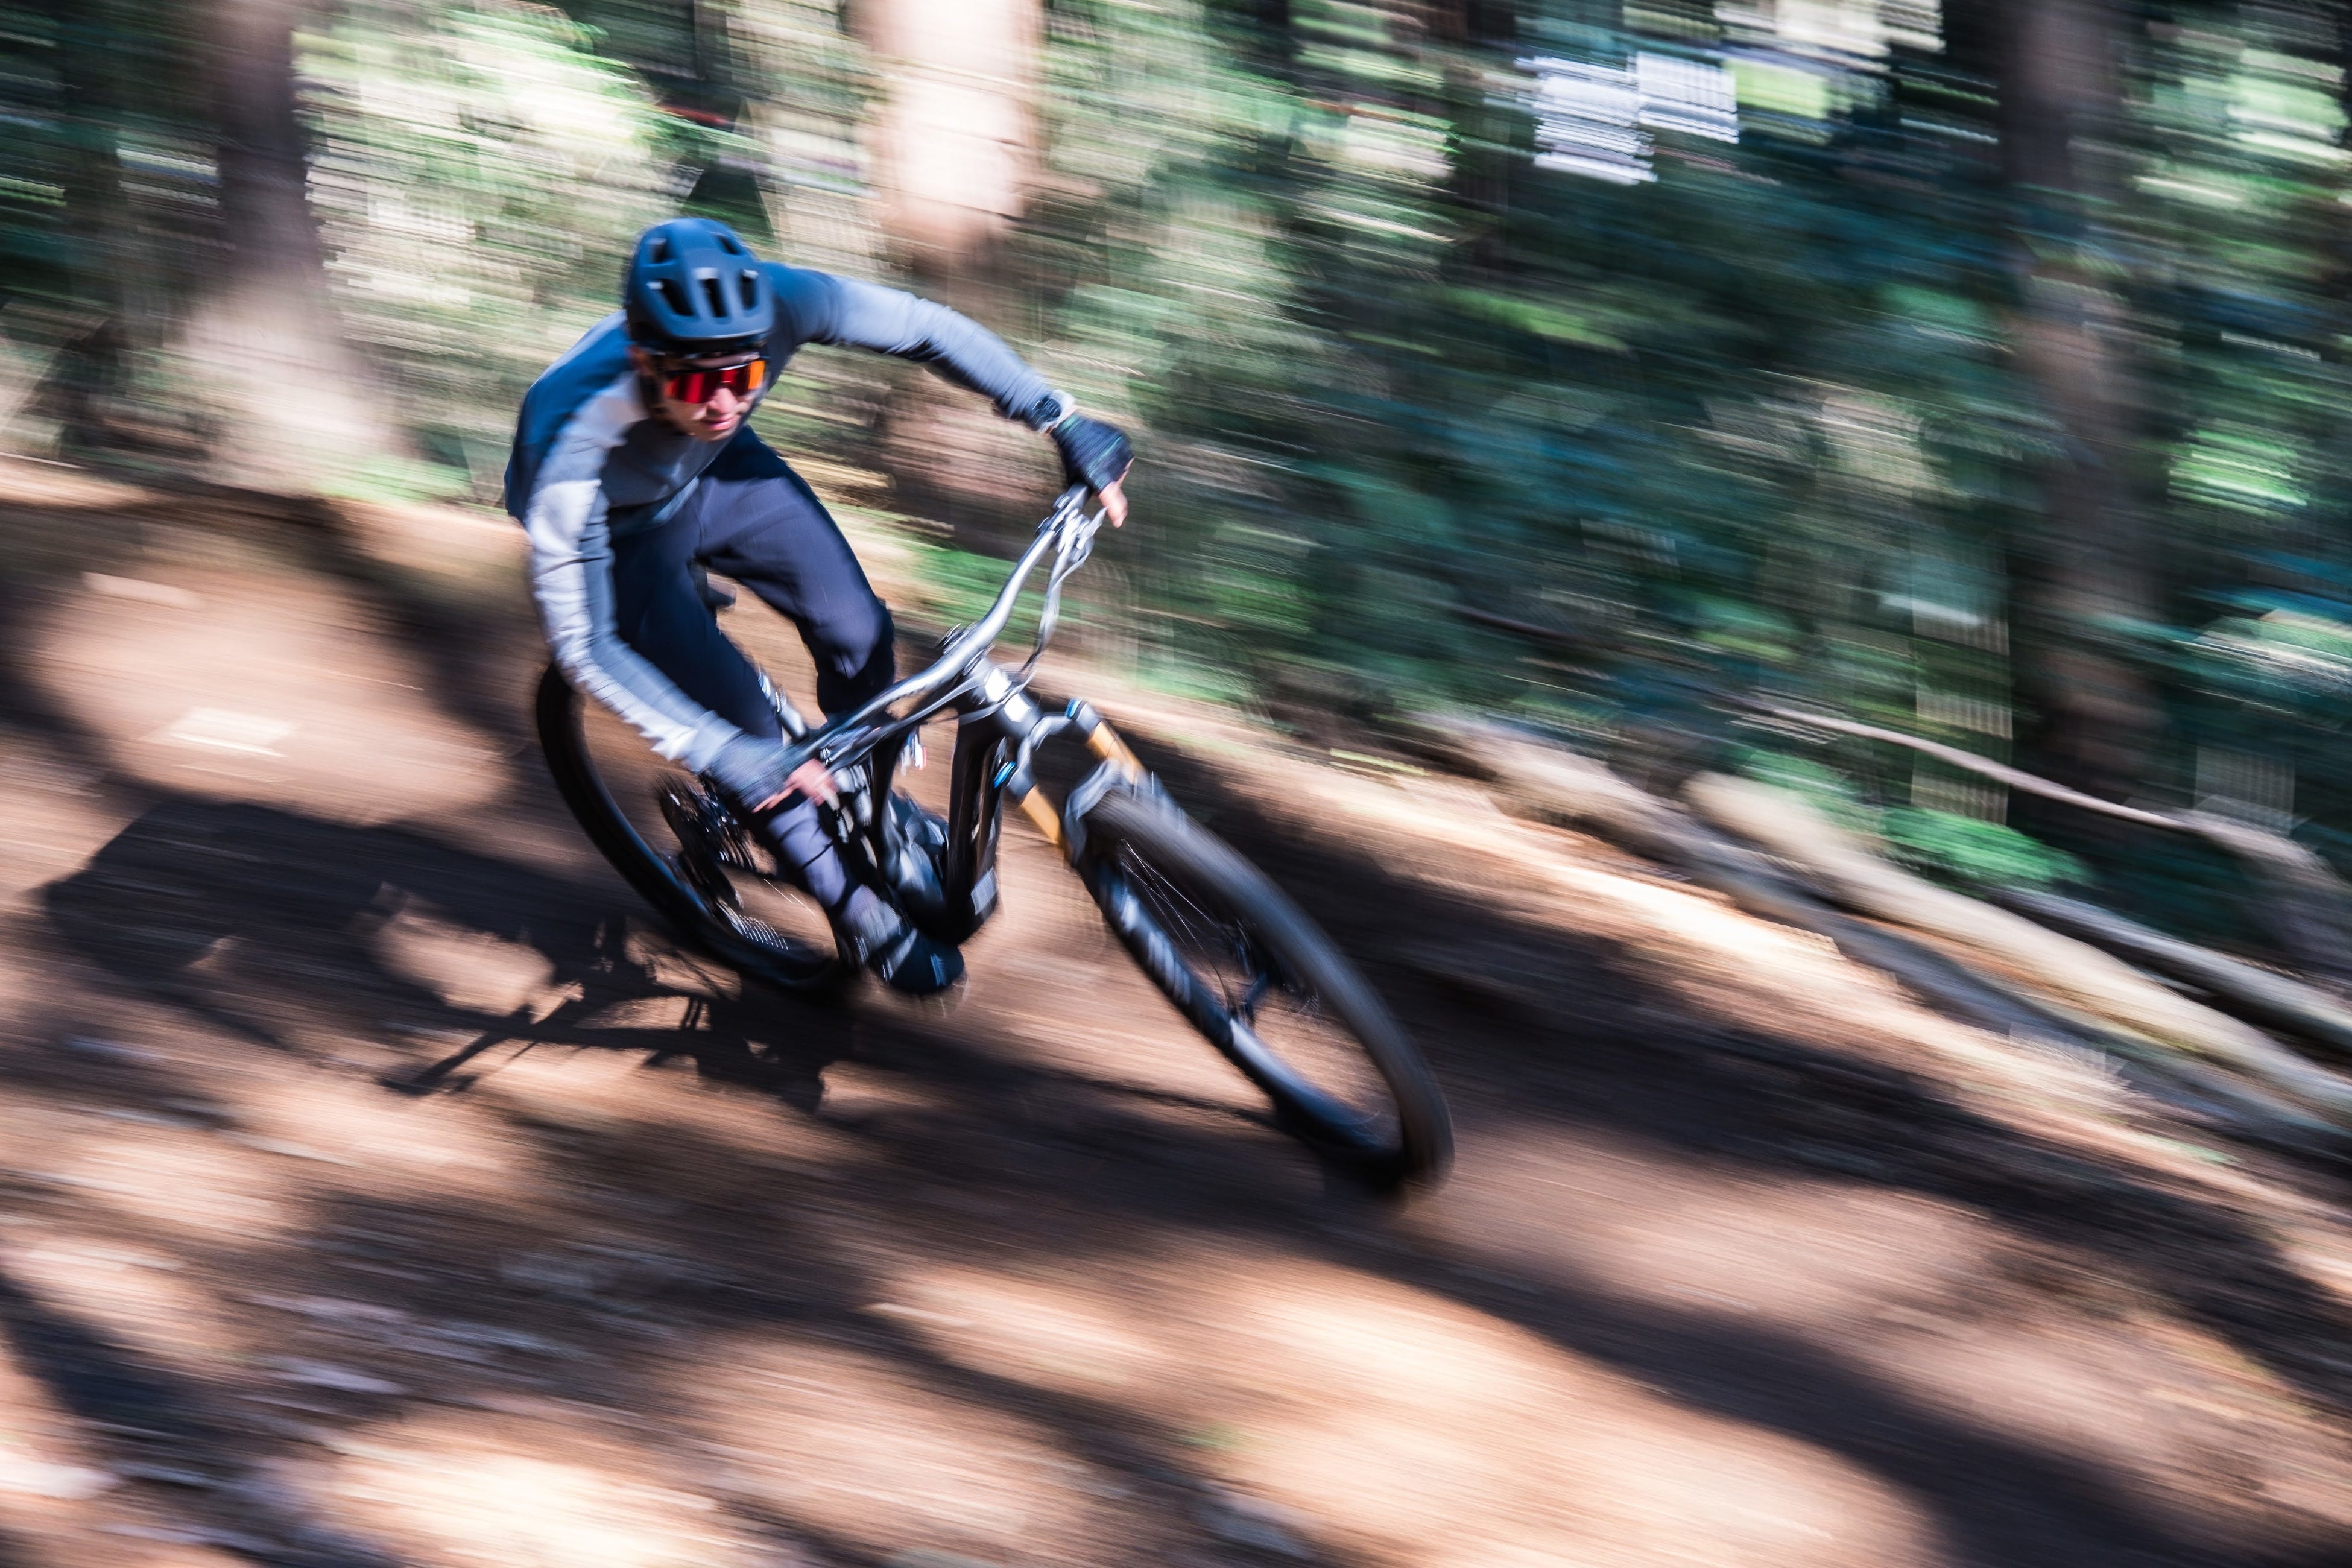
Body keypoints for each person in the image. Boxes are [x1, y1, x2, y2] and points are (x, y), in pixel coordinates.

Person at [505, 217, 1133, 996]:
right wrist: (721, 751)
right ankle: (854, 906)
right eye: (698, 383)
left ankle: (871, 806)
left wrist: (1058, 416)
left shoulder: (779, 308)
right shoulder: (570, 440)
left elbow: (925, 328)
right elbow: (584, 647)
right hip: (617, 527)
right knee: (748, 737)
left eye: (746, 374)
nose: (726, 399)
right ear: (644, 362)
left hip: (716, 473)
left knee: (859, 631)